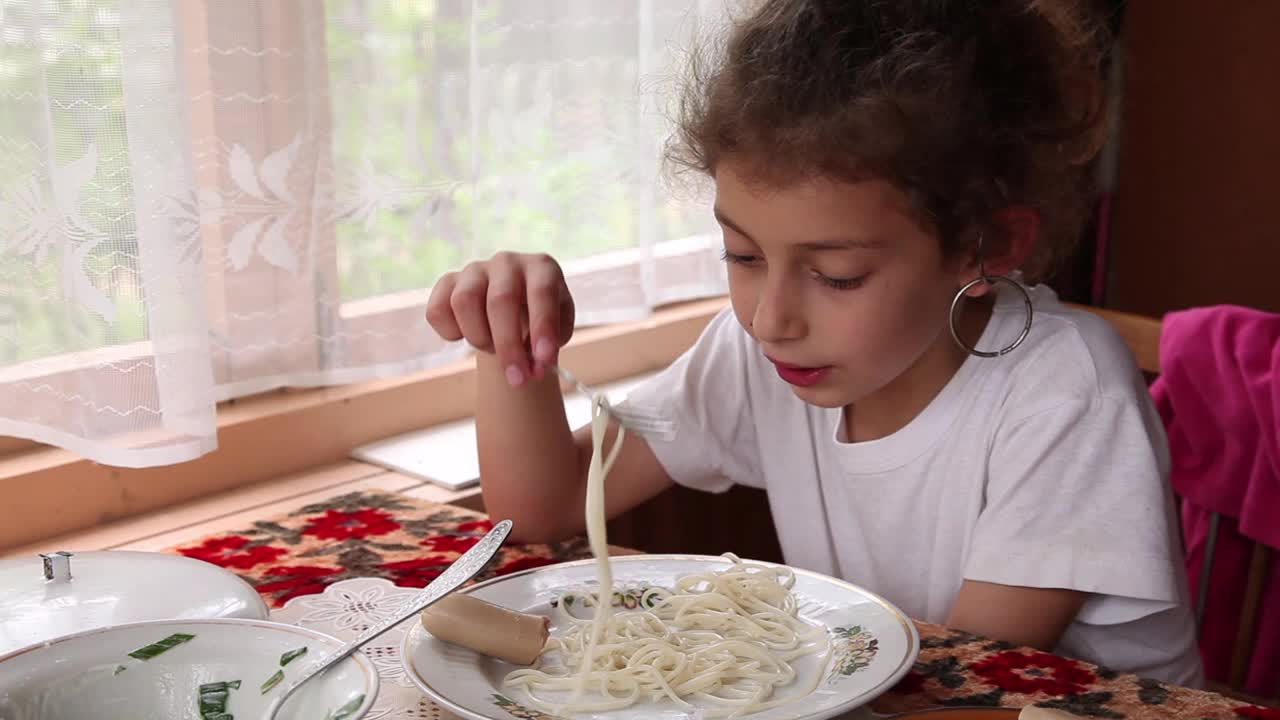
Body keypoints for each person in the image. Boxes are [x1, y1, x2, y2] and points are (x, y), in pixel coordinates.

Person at [424, 0, 1202, 685]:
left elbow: (967, 670)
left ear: (986, 245)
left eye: (836, 274)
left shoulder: (1065, 391)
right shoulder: (763, 354)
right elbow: (541, 506)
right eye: (743, 256)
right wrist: (509, 339)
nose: (769, 317)